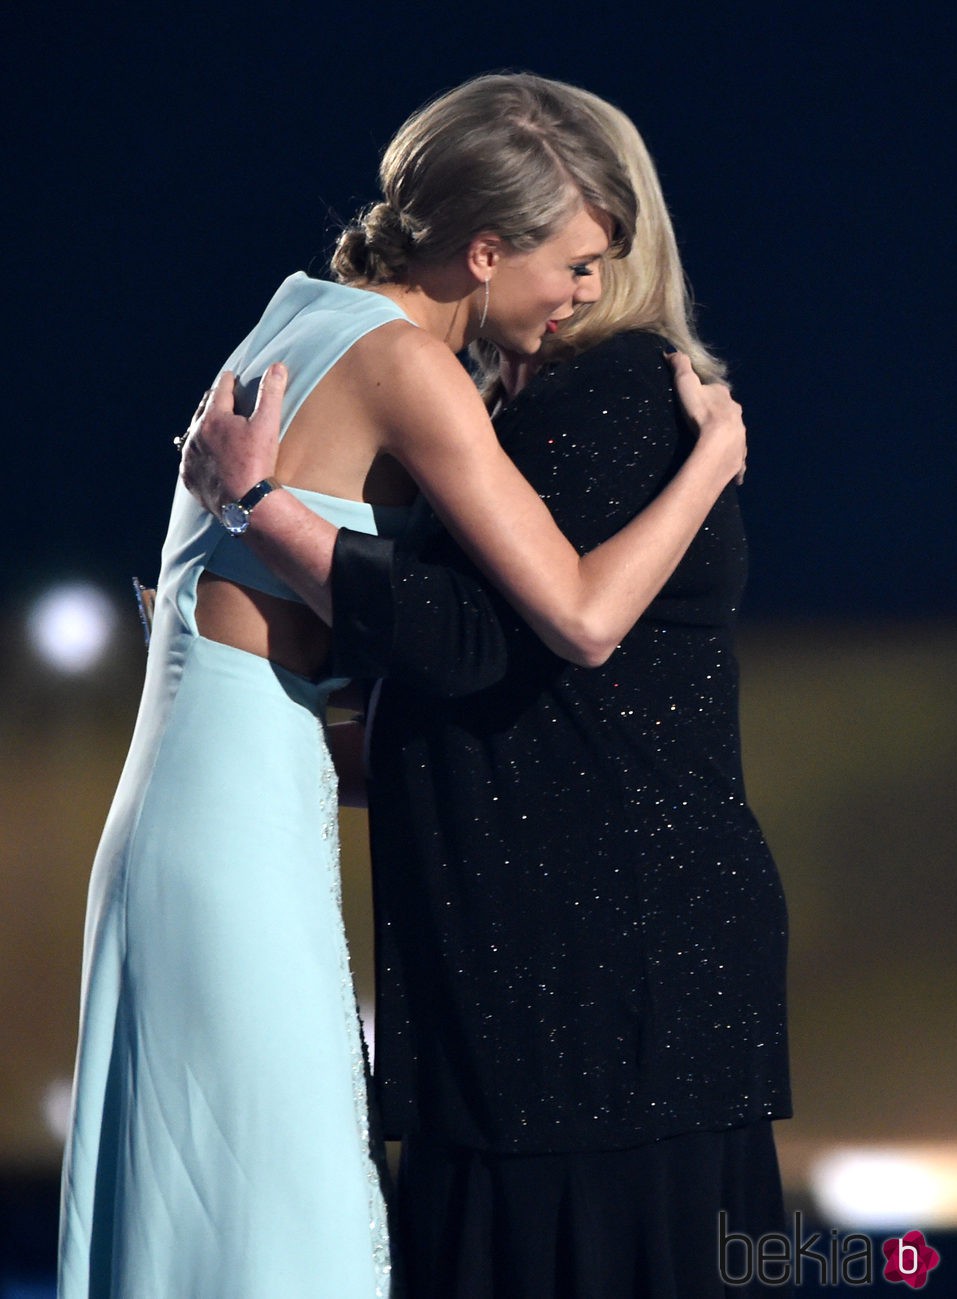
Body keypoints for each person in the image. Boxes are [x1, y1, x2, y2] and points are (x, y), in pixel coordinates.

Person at [58, 74, 748, 1299]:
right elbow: (578, 616)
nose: (583, 296)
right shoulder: (406, 368)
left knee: (231, 1207)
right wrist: (708, 464)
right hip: (235, 830)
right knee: (287, 1222)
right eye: (572, 264)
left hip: (198, 799)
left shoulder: (295, 312)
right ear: (484, 250)